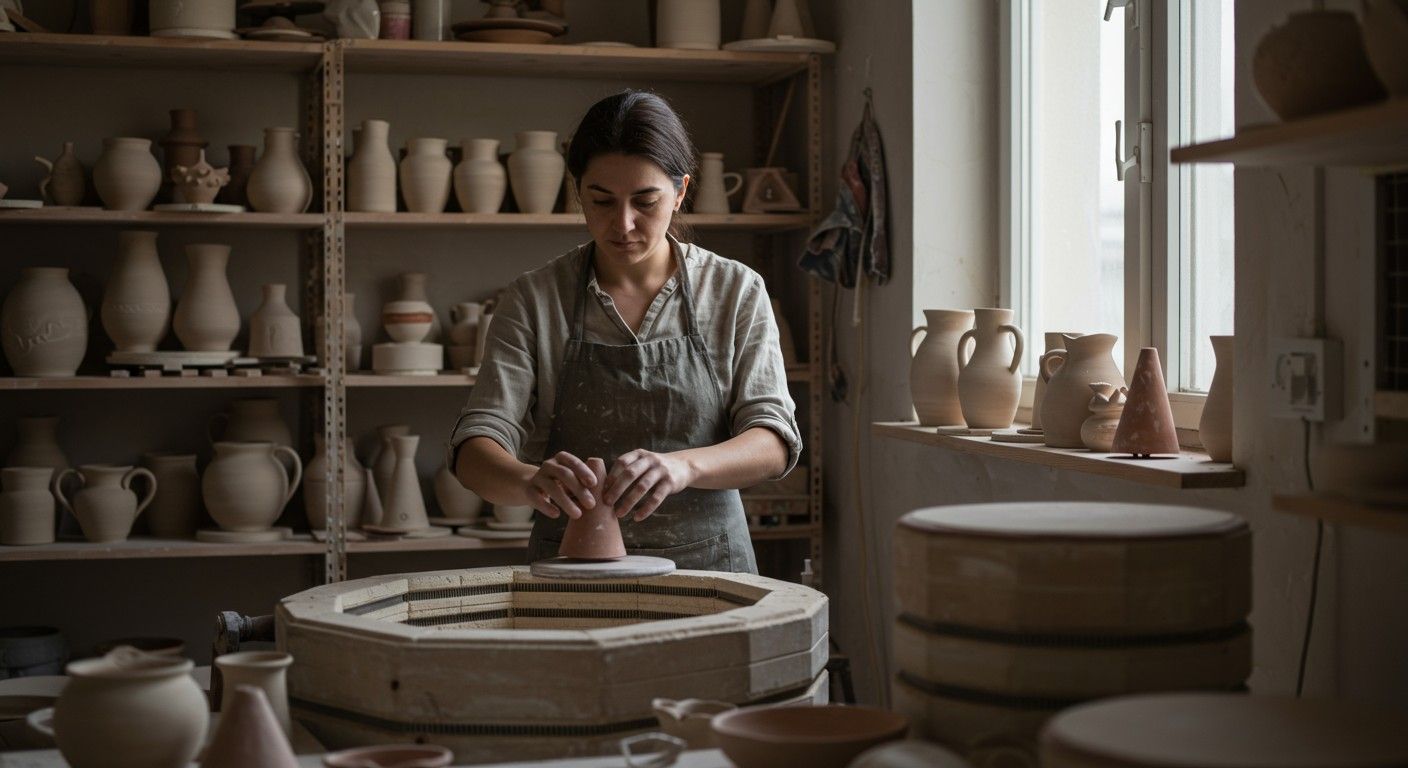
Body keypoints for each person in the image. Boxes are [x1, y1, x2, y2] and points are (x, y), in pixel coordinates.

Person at [446, 91, 802, 574]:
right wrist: (528, 481)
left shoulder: (735, 291)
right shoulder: (535, 298)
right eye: (602, 201)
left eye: (646, 201)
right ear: (578, 192)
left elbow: (774, 441)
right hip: (572, 568)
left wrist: (685, 466)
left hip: (711, 567)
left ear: (680, 193)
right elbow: (475, 447)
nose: (623, 223)